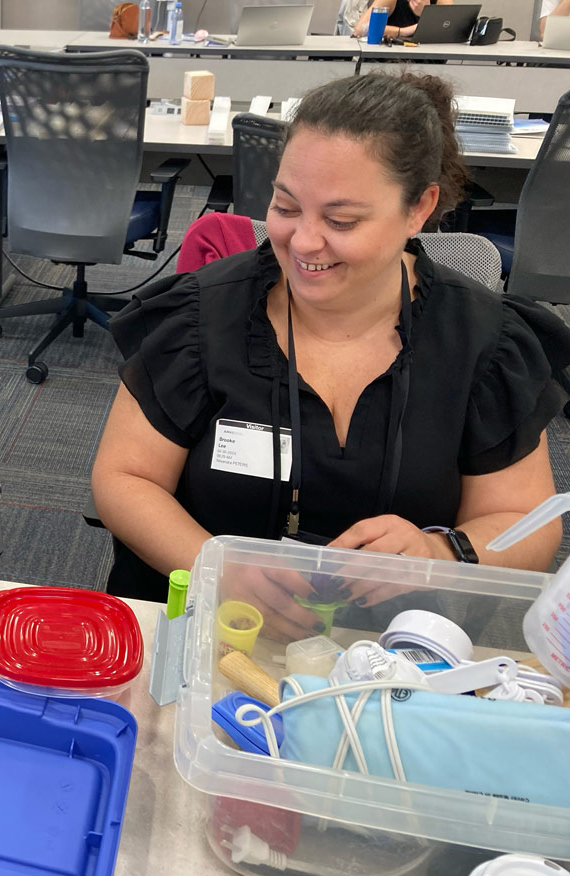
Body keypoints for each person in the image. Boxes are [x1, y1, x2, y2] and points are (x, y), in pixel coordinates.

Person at [91, 72, 570, 640]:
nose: (304, 242)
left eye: (342, 221)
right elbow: (125, 477)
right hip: (207, 633)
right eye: (285, 206)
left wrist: (439, 552)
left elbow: (526, 525)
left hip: (392, 654)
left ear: (419, 209)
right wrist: (216, 569)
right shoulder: (200, 319)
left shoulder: (484, 344)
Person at [353, 0, 452, 39]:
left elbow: (450, 30)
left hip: (429, 61)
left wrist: (427, 13)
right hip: (391, 60)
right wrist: (404, 31)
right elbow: (362, 29)